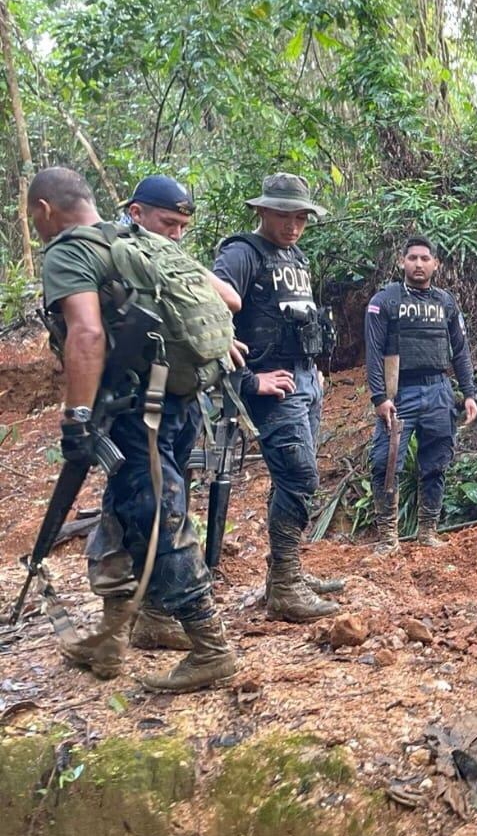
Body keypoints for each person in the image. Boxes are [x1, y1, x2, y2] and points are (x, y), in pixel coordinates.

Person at [32, 166, 238, 691]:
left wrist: (77, 416)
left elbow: (85, 332)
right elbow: (227, 299)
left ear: (42, 211)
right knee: (126, 508)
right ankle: (119, 632)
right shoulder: (142, 239)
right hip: (180, 400)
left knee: (155, 514)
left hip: (133, 411)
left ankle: (210, 646)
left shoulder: (69, 250)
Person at [77, 175, 242, 654]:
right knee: (149, 504)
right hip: (143, 400)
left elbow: (227, 303)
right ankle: (144, 623)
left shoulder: (150, 252)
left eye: (182, 226)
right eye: (168, 222)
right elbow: (228, 299)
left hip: (168, 397)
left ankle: (141, 619)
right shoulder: (116, 251)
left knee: (142, 502)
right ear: (136, 211)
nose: (175, 233)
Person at [212, 173, 343, 623]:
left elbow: (301, 319)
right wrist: (249, 380)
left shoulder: (296, 256)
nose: (293, 225)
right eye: (284, 215)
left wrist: (315, 370)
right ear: (263, 211)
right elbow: (210, 307)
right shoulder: (242, 254)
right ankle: (286, 585)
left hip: (304, 380)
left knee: (295, 477)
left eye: (300, 217)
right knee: (300, 475)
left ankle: (285, 575)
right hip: (273, 386)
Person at [364, 236, 477, 553]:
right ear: (402, 262)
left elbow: (461, 351)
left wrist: (469, 393)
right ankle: (388, 539)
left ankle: (427, 531)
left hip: (439, 390)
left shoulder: (446, 302)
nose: (418, 264)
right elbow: (373, 353)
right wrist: (379, 398)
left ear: (435, 264)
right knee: (385, 463)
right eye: (412, 258)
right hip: (399, 393)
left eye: (425, 258)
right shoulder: (385, 300)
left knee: (437, 462)